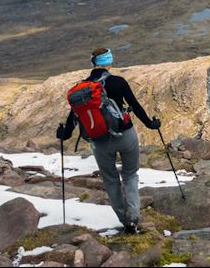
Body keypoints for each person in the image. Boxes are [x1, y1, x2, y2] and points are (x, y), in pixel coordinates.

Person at [56, 47, 161, 233]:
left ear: (93, 63)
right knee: (130, 175)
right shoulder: (118, 82)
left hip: (99, 141)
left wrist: (63, 134)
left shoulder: (82, 89)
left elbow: (73, 118)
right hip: (125, 135)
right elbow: (135, 106)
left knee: (111, 180)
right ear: (109, 62)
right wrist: (150, 124)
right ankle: (133, 218)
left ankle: (124, 220)